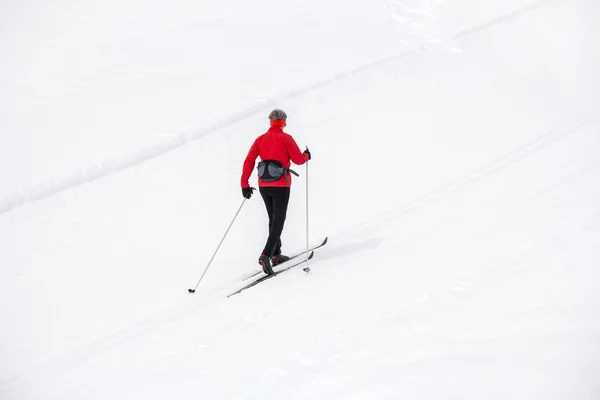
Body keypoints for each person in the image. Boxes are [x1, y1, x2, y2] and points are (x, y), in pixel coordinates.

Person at [240, 109, 311, 275]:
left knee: (272, 218)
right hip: (281, 185)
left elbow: (249, 161)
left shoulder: (260, 139)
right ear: (284, 121)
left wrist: (244, 184)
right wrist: (307, 155)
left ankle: (276, 254)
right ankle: (266, 254)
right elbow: (298, 160)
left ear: (270, 121)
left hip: (264, 185)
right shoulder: (286, 138)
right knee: (279, 220)